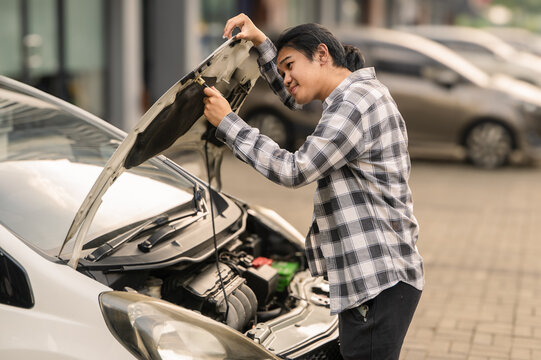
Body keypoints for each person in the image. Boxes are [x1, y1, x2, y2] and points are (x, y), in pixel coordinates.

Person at [203, 13, 424, 360]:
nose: (286, 79)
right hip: (379, 277)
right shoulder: (352, 94)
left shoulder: (354, 104)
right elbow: (296, 95)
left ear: (322, 54)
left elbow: (295, 170)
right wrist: (262, 44)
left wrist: (229, 124)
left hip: (377, 281)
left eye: (290, 66)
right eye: (283, 70)